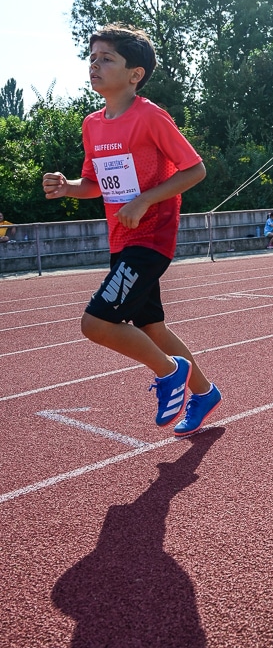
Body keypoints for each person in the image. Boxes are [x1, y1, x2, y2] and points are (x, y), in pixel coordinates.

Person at [42, 24, 222, 437]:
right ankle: (204, 392)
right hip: (120, 239)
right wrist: (69, 187)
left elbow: (195, 169)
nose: (95, 65)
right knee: (152, 328)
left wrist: (143, 201)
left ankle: (170, 371)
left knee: (95, 323)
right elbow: (95, 183)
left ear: (135, 74)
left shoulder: (150, 116)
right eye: (92, 58)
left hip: (150, 237)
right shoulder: (92, 124)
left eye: (107, 58)